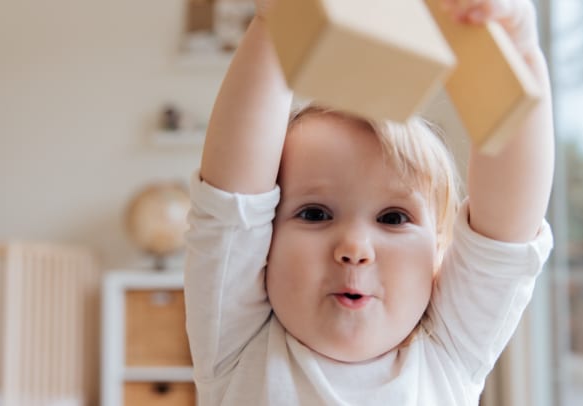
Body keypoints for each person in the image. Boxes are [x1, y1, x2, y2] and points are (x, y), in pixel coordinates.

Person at [183, 0, 555, 404]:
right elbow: (232, 203)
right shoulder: (238, 341)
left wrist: (518, 54)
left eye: (394, 218)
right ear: (264, 244)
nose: (355, 249)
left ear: (438, 253)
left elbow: (505, 236)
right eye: (315, 213)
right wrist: (279, 19)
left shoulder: (448, 350)